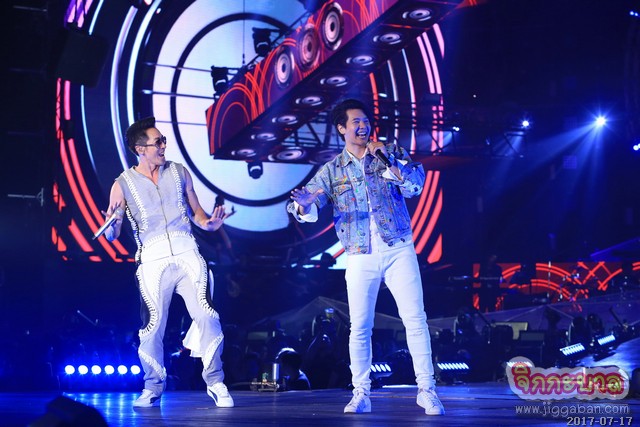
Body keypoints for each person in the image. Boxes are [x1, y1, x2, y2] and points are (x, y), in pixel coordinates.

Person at [287, 99, 444, 415]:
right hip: (359, 254)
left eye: (366, 121)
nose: (363, 127)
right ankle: (361, 393)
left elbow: (415, 186)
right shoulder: (332, 170)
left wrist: (388, 160)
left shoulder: (389, 153)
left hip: (398, 246)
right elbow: (308, 206)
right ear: (342, 128)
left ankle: (427, 390)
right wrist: (303, 204)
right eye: (355, 122)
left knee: (415, 319)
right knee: (360, 325)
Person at [102, 117, 234, 408]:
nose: (163, 146)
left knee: (207, 315)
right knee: (152, 326)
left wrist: (210, 224)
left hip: (187, 251)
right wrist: (112, 223)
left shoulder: (179, 172)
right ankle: (152, 387)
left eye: (163, 140)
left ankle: (216, 382)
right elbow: (112, 234)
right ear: (140, 149)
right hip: (152, 257)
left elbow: (198, 213)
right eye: (157, 142)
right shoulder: (122, 185)